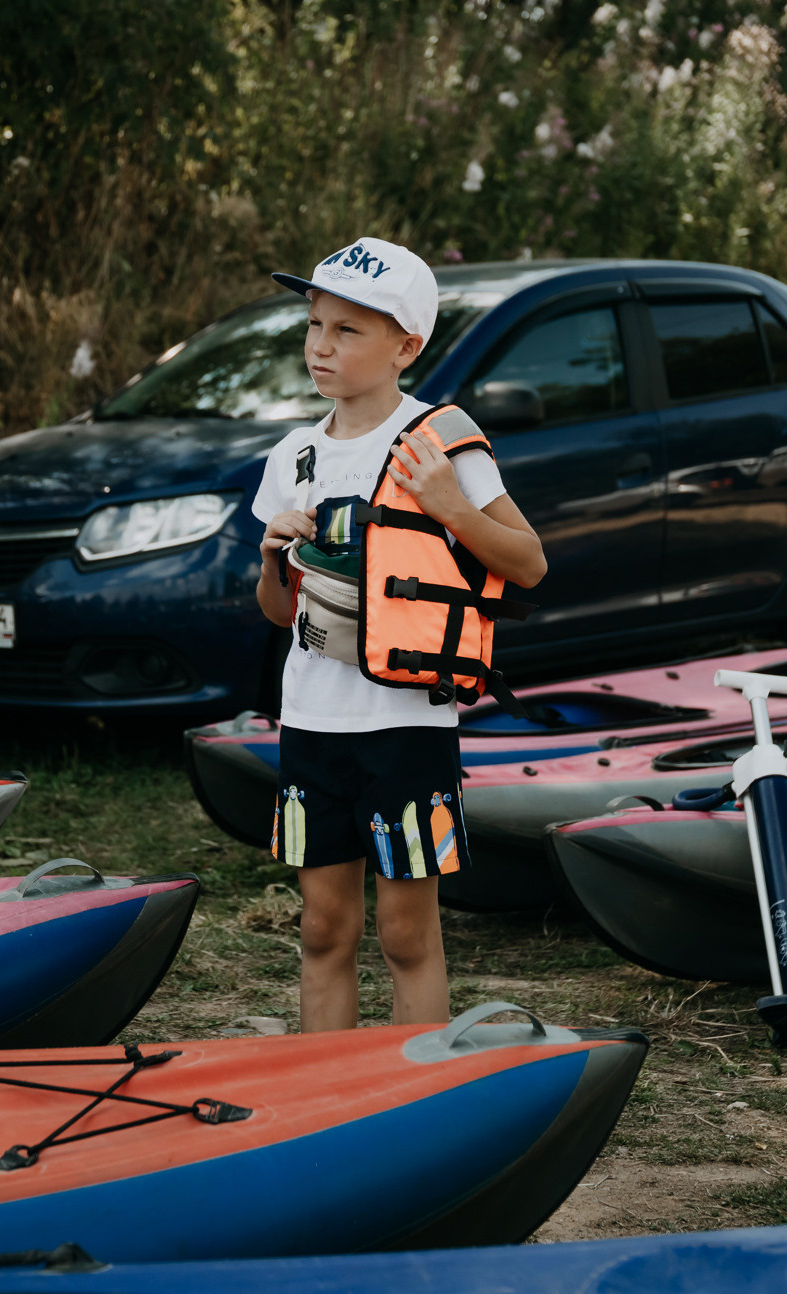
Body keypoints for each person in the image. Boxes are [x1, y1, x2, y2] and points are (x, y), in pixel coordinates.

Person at [250, 237, 546, 1032]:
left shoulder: (442, 441)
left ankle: (417, 1099)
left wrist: (452, 507)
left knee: (407, 933)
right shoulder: (294, 456)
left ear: (405, 347)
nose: (321, 345)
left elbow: (530, 562)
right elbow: (279, 614)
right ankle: (328, 1100)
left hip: (406, 726)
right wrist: (271, 554)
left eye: (348, 330)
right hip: (312, 723)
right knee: (321, 927)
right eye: (314, 325)